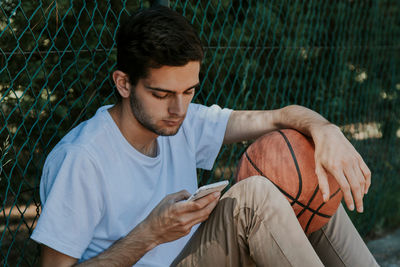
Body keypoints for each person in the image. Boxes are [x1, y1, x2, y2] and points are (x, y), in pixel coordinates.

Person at [31, 6, 378, 267]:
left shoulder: (182, 121)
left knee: (305, 182)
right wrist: (149, 234)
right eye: (162, 94)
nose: (179, 109)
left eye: (189, 91)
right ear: (123, 83)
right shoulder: (82, 158)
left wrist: (326, 131)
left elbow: (278, 118)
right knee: (254, 196)